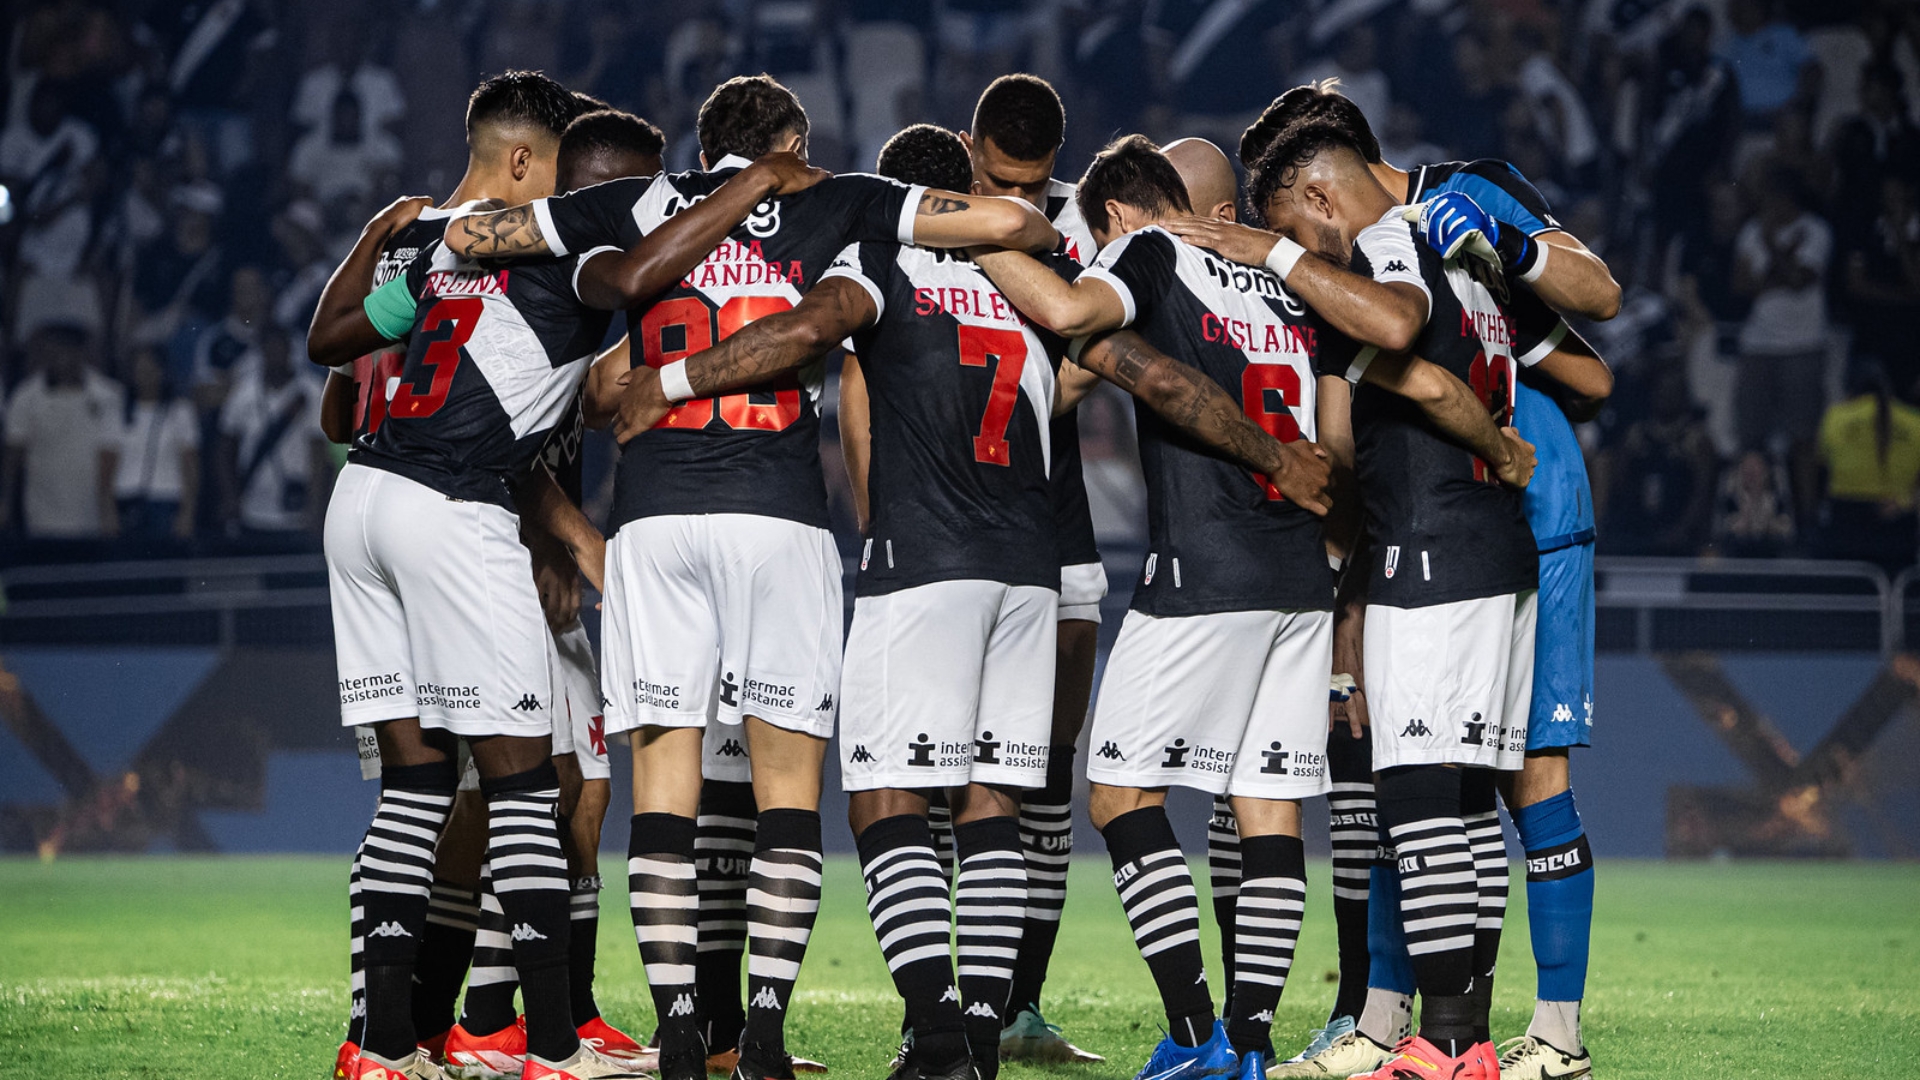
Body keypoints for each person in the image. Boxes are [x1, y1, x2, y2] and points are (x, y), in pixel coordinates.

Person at [442, 73, 1058, 1080]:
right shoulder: (839, 196)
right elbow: (1001, 221)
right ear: (792, 139)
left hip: (657, 521)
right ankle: (761, 1033)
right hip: (780, 523)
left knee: (665, 800)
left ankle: (682, 1027)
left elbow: (478, 238)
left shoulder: (645, 200)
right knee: (786, 802)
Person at [310, 69, 817, 1080]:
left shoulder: (435, 236)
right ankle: (539, 1042)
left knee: (415, 787)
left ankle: (380, 1046)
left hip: (361, 499)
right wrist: (752, 185)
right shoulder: (578, 251)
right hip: (456, 508)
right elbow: (628, 285)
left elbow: (332, 349)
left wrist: (394, 242)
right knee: (524, 783)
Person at [1213, 84, 1616, 1080]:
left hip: (1525, 509)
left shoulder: (1461, 202)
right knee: (1426, 777)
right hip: (1434, 518)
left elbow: (1597, 330)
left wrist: (1510, 264)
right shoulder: (1377, 264)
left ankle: (1544, 1034)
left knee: (1519, 778)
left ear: (1324, 182)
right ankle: (1402, 1020)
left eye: (1280, 215)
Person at [839, 74, 1105, 1065]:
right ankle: (986, 1027)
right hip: (1033, 559)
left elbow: (857, 403)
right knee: (995, 794)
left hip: (929, 556)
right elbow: (1090, 353)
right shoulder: (1031, 269)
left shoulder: (884, 262)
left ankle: (936, 1025)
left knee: (883, 791)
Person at [1732, 169, 1833, 523]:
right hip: (1758, 344)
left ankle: (1805, 519)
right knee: (1751, 438)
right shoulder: (1750, 231)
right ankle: (1749, 519)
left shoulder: (1816, 231)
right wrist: (1781, 263)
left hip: (1803, 344)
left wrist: (1773, 251)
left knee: (1803, 438)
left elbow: (1801, 280)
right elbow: (1743, 285)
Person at [1, 324, 124, 554]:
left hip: (92, 514)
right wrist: (5, 503)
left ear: (82, 353)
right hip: (42, 511)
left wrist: (108, 511)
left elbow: (110, 454)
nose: (60, 358)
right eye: (53, 351)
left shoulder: (107, 394)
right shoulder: (26, 397)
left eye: (67, 350)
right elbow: (13, 454)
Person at [217, 327, 329, 550]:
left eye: (280, 348)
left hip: (297, 510)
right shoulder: (244, 393)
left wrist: (316, 508)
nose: (275, 353)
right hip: (252, 508)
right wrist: (230, 496)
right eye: (269, 348)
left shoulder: (310, 391)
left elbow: (318, 454)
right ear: (261, 352)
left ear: (290, 351)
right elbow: (224, 448)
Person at [1815, 364, 1920, 570]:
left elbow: (1822, 468)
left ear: (1850, 390)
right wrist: (1904, 502)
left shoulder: (1836, 417)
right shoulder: (1914, 422)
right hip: (1898, 529)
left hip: (1845, 528)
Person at [114, 347, 200, 548]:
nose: (146, 375)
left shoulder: (181, 411)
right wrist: (108, 511)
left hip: (166, 500)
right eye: (140, 369)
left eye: (151, 368)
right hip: (127, 500)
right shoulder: (118, 411)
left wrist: (187, 512)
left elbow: (191, 465)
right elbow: (106, 464)